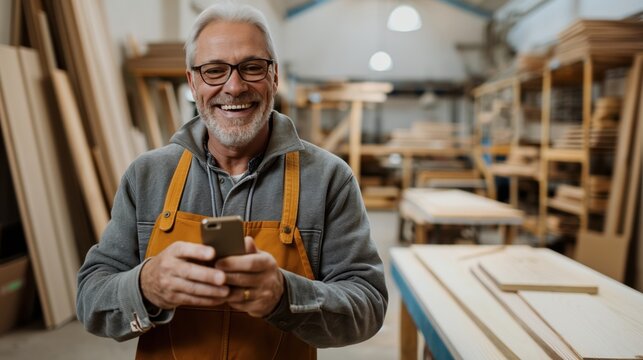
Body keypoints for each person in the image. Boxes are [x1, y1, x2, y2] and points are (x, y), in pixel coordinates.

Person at [76, 1, 388, 359]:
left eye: (252, 68)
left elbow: (368, 304)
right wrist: (146, 286)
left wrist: (286, 296)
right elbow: (90, 298)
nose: (234, 86)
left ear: (274, 76)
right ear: (192, 83)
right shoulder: (148, 176)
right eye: (214, 71)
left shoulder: (329, 179)